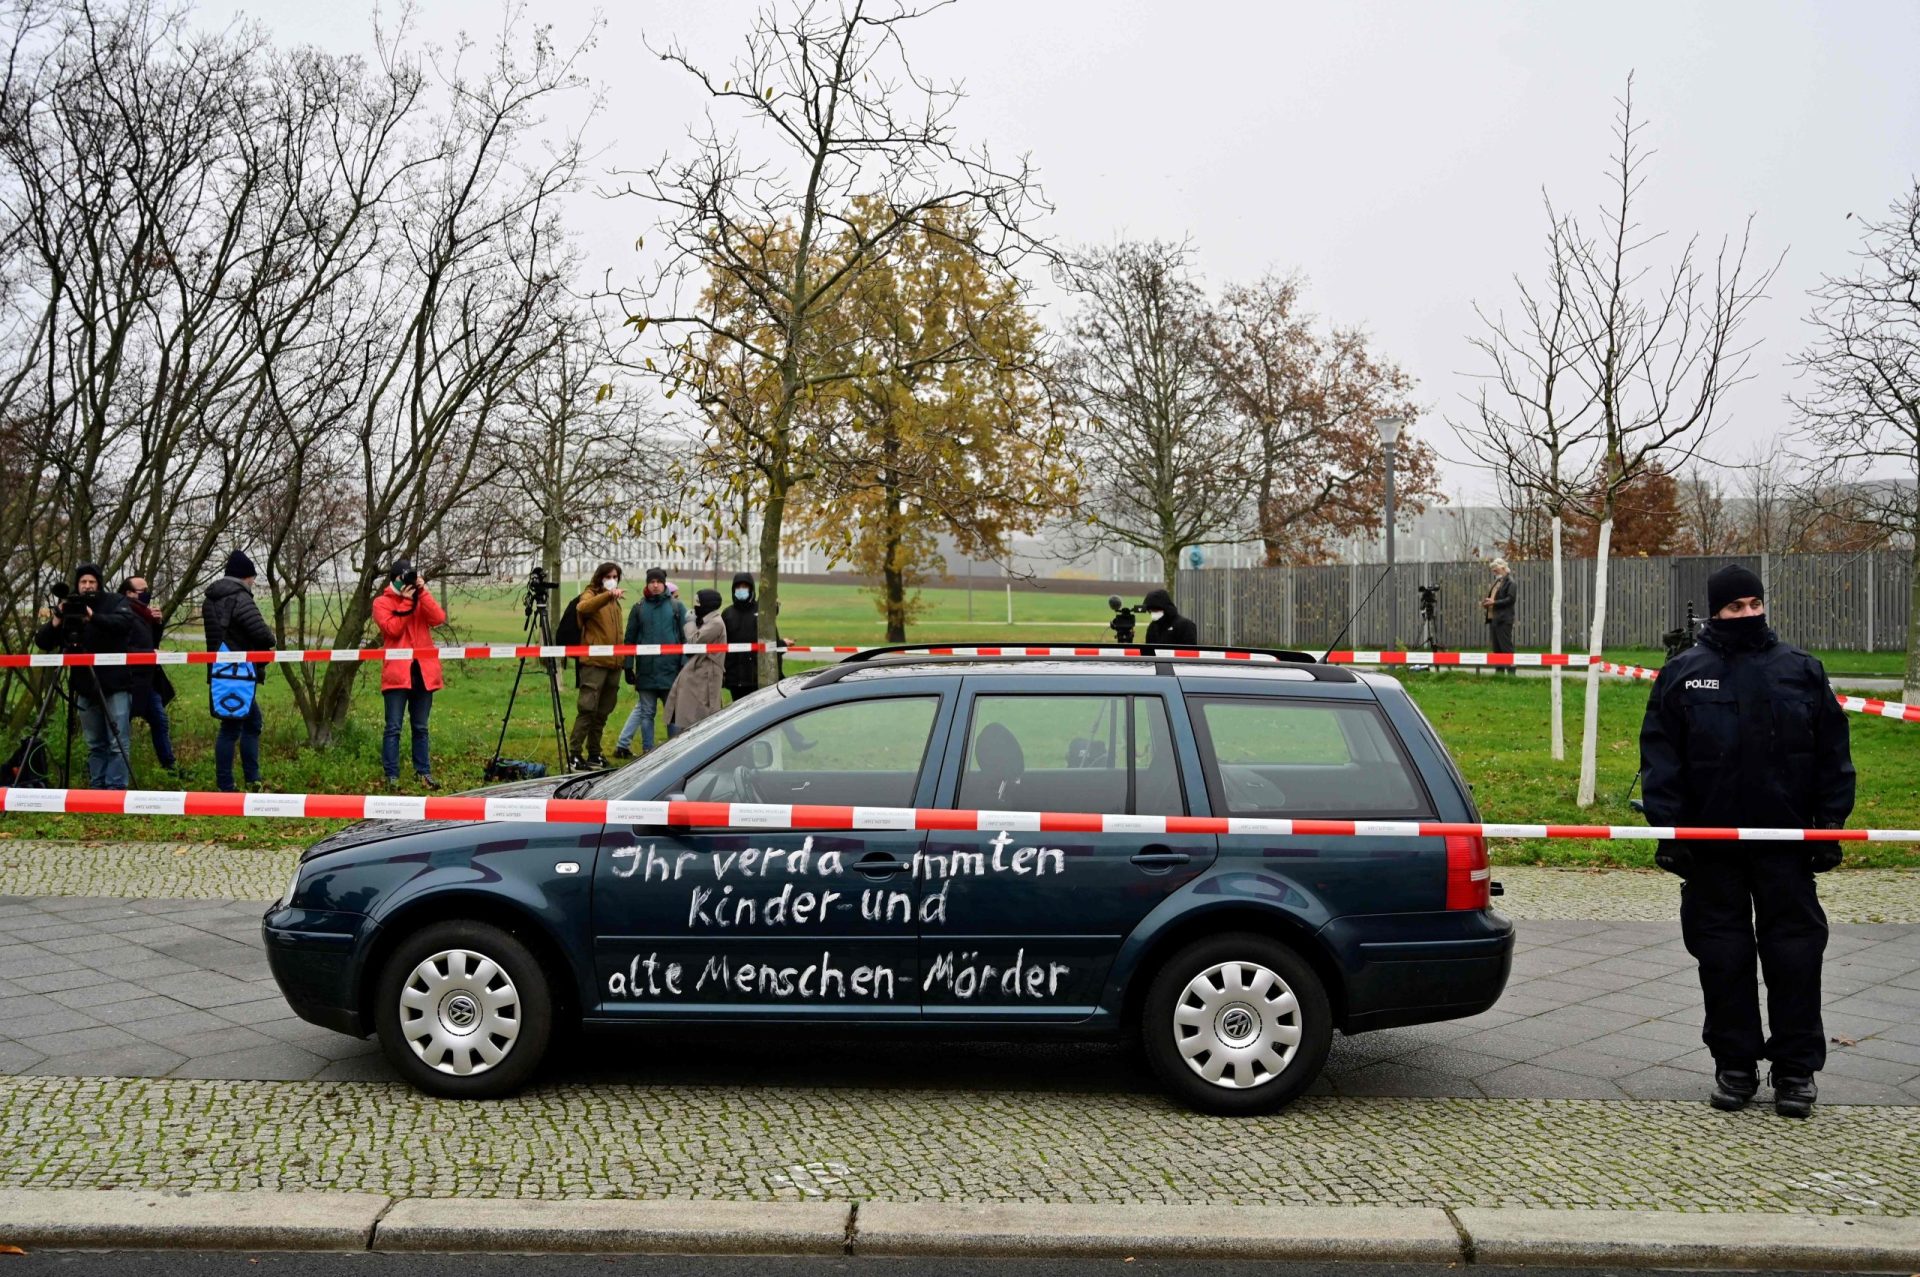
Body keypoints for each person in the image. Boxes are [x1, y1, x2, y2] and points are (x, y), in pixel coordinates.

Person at [1639, 562, 1855, 1120]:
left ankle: (1795, 1070)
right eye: (1735, 607)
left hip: (1786, 844)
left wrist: (1829, 828)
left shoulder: (1801, 670)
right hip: (1712, 849)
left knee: (1796, 955)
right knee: (1723, 956)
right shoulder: (1685, 673)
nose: (1747, 614)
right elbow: (1661, 758)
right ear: (1716, 611)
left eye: (1754, 605)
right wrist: (1669, 832)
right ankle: (1734, 1066)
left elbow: (1833, 754)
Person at [33, 563, 136, 789]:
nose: (87, 586)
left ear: (98, 584)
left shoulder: (114, 602)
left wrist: (93, 617)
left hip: (115, 684)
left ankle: (116, 790)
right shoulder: (69, 607)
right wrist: (58, 617)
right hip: (84, 686)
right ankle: (97, 788)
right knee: (94, 743)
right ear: (77, 585)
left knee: (117, 743)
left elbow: (124, 624)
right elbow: (42, 641)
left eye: (91, 582)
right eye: (83, 582)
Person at [202, 549, 277, 793]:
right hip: (239, 673)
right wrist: (269, 639)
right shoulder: (239, 597)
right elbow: (262, 634)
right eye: (253, 577)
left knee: (251, 721)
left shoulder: (210, 599)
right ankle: (228, 786)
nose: (253, 582)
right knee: (232, 727)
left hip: (221, 671)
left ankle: (250, 779)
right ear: (245, 576)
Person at [371, 560, 447, 790]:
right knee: (393, 727)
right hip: (397, 673)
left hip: (422, 672)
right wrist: (405, 602)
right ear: (394, 579)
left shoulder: (420, 598)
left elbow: (438, 618)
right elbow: (392, 629)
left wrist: (422, 593)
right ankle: (391, 775)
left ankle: (423, 772)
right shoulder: (381, 602)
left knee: (421, 727)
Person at [613, 567, 688, 759]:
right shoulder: (638, 608)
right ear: (647, 583)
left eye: (658, 582)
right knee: (647, 713)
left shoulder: (676, 607)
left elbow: (686, 639)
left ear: (664, 583)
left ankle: (675, 752)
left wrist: (683, 664)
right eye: (651, 582)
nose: (655, 585)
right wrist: (628, 666)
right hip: (646, 670)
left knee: (672, 713)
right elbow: (629, 640)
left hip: (671, 671)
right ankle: (648, 753)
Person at [566, 562, 625, 770]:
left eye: (615, 576)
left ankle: (594, 752)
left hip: (614, 664)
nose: (612, 579)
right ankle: (573, 753)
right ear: (600, 577)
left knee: (603, 711)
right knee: (588, 709)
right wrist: (607, 596)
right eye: (608, 576)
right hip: (594, 664)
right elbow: (583, 608)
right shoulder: (590, 594)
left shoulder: (615, 602)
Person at [120, 575, 177, 774]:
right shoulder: (123, 615)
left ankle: (169, 767)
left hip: (148, 681)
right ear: (128, 593)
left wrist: (157, 623)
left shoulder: (143, 614)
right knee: (119, 729)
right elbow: (124, 649)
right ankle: (112, 771)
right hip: (128, 681)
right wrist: (150, 654)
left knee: (160, 721)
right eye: (142, 591)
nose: (147, 594)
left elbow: (151, 644)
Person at [664, 588, 727, 736]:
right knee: (689, 712)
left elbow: (694, 641)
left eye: (698, 603)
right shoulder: (708, 620)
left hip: (707, 675)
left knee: (703, 715)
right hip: (699, 673)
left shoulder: (716, 623)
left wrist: (690, 623)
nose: (695, 607)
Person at [721, 571, 763, 704]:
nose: (741, 590)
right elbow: (722, 643)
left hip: (756, 675)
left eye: (745, 586)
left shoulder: (761, 611)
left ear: (751, 589)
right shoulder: (728, 614)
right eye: (738, 587)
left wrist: (782, 644)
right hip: (735, 676)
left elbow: (772, 639)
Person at [1482, 558, 1517, 672]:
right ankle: (1499, 673)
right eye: (1492, 569)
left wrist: (1494, 603)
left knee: (1506, 647)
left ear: (1502, 568)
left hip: (1504, 620)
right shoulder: (1498, 582)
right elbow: (1495, 598)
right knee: (1496, 648)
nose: (1493, 571)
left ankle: (1511, 673)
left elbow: (1511, 600)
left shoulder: (1511, 582)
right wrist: (1487, 603)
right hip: (1494, 619)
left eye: (1495, 569)